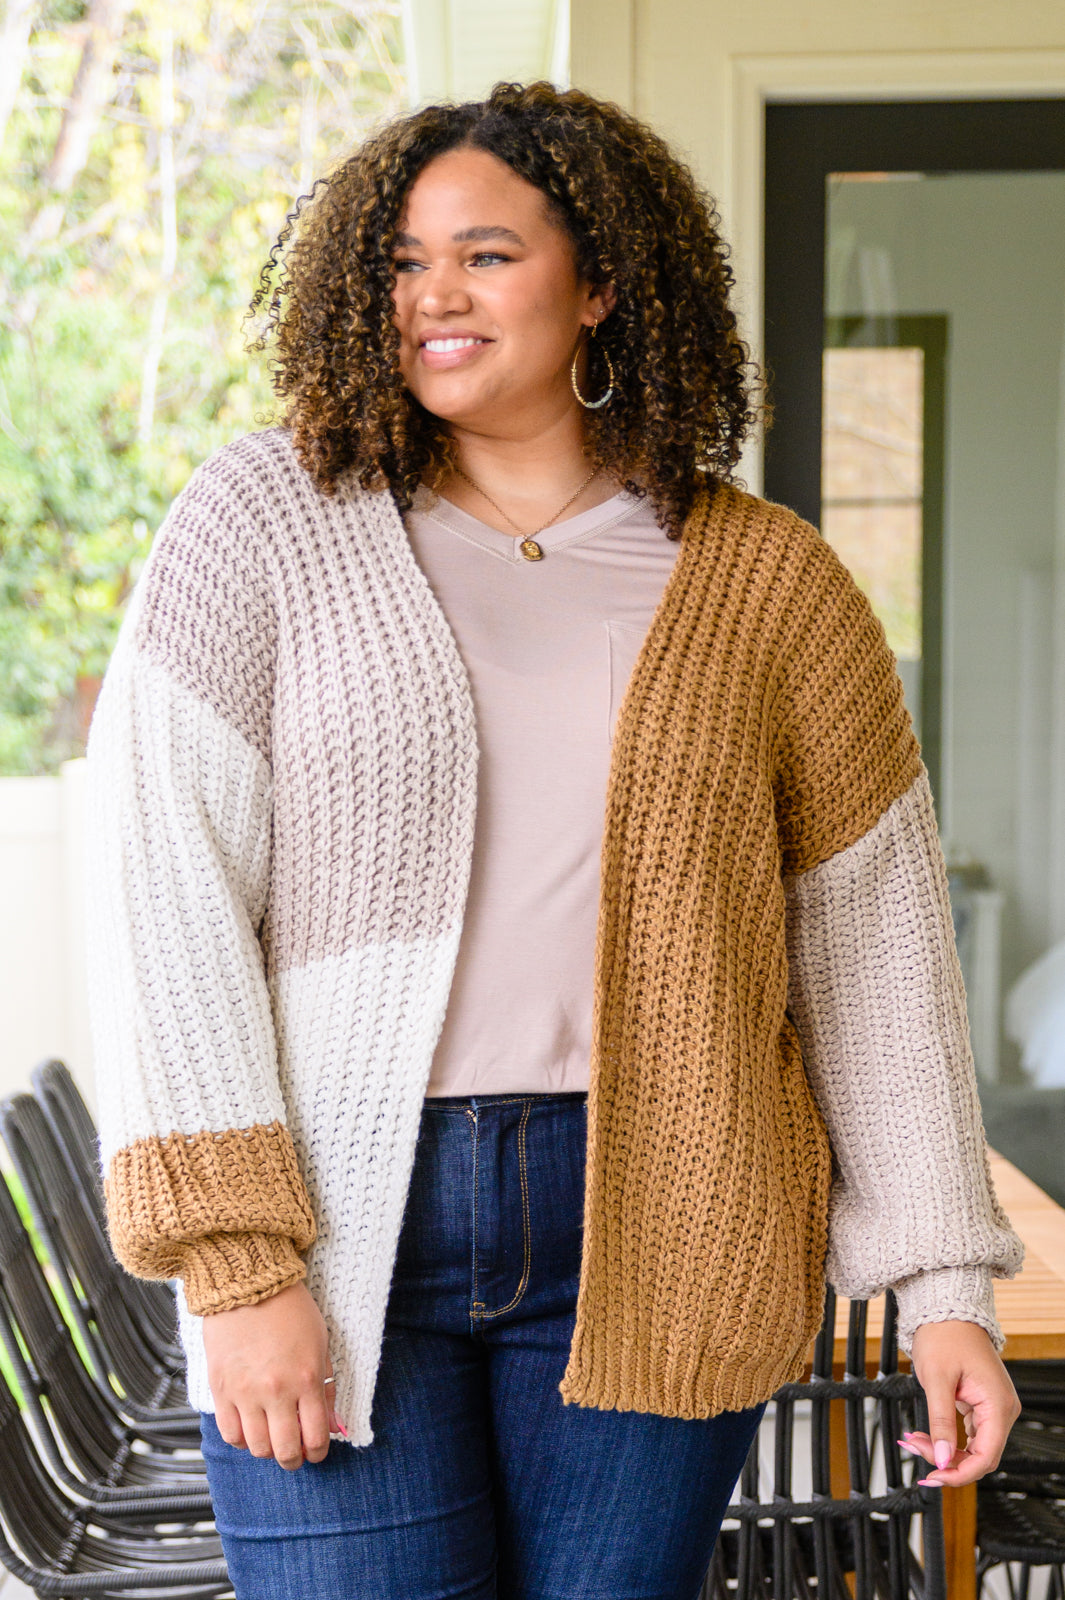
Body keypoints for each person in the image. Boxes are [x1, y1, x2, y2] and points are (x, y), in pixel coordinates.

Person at [83, 79, 1024, 1600]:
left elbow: (873, 953)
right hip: (339, 1206)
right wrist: (239, 1265)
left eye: (485, 254)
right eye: (401, 261)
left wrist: (944, 1290)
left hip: (664, 1207)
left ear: (600, 285)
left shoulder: (770, 581)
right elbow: (164, 897)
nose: (433, 295)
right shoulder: (263, 520)